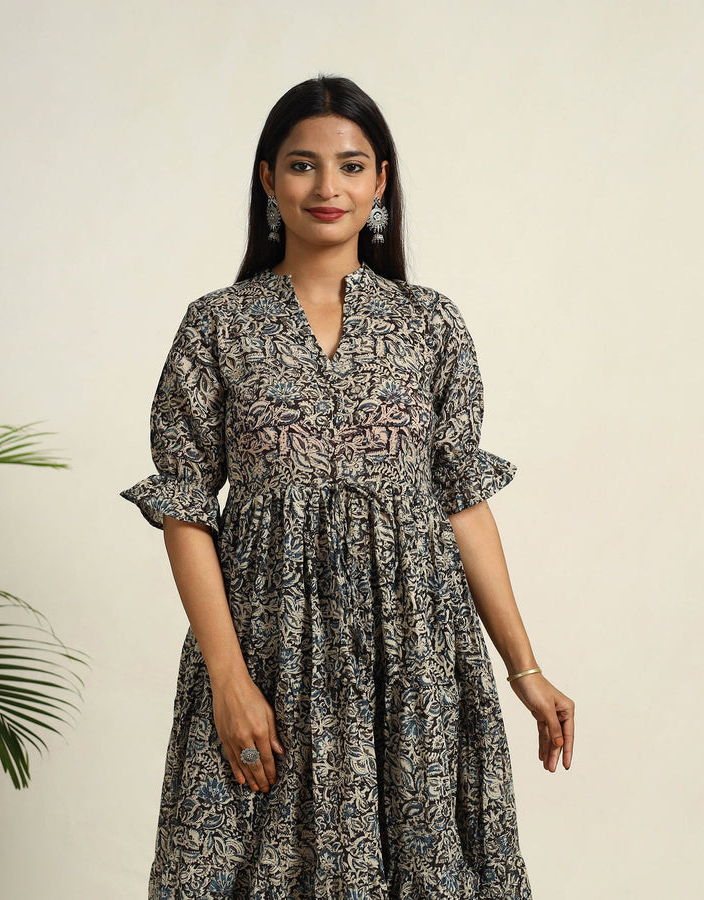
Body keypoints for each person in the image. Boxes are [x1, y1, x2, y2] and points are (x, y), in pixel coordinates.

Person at [122, 74, 574, 900]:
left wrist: (526, 668)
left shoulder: (430, 324)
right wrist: (228, 677)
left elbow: (462, 504)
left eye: (351, 165)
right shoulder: (217, 325)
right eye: (302, 165)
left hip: (414, 662)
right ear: (268, 179)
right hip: (266, 654)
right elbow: (184, 506)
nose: (327, 187)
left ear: (381, 181)